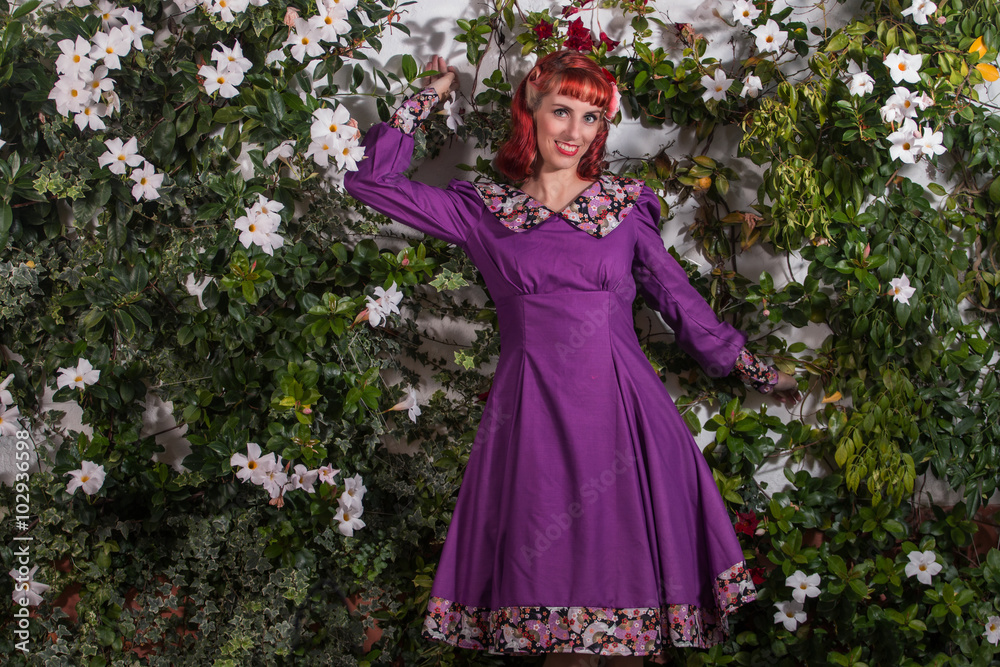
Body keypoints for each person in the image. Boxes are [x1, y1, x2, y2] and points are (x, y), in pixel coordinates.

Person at [344, 50, 799, 666]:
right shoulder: (482, 210)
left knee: (631, 622)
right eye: (562, 110)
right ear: (530, 107)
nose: (574, 131)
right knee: (551, 622)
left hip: (624, 416)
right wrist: (430, 92)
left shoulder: (624, 208)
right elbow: (371, 182)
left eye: (590, 119)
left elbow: (677, 298)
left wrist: (748, 367)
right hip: (531, 419)